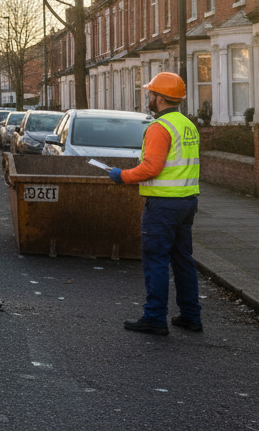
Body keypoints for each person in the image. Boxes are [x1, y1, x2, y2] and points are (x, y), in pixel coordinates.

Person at [107, 71, 202, 336]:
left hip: (163, 205)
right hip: (187, 201)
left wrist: (121, 176)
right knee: (183, 259)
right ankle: (191, 315)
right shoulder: (187, 124)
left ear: (159, 98)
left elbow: (151, 168)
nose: (148, 97)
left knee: (156, 260)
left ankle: (155, 317)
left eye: (150, 93)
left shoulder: (159, 128)